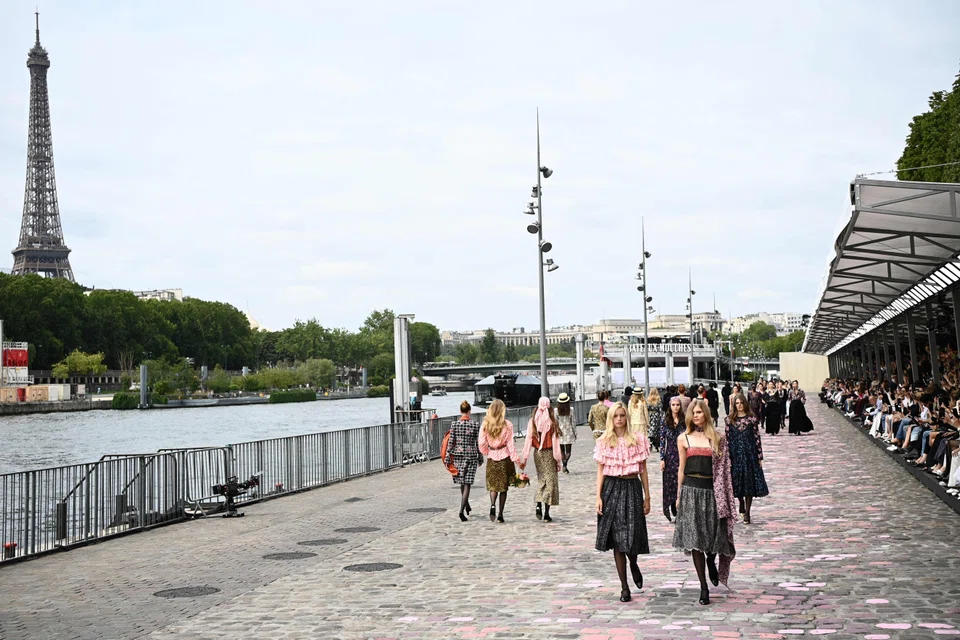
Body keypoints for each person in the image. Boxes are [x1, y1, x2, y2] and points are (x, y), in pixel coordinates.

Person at [672, 399, 737, 606]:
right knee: (695, 540)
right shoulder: (683, 438)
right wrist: (678, 495)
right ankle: (703, 586)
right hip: (691, 490)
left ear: (706, 414)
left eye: (700, 412)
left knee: (712, 536)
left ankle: (712, 560)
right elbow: (681, 469)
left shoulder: (717, 438)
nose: (696, 416)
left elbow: (725, 471)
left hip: (711, 492)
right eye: (693, 413)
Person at [594, 402, 651, 603]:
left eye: (622, 415)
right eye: (616, 415)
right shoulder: (603, 442)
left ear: (627, 417)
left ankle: (633, 563)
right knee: (617, 538)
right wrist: (598, 496)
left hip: (632, 487)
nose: (619, 419)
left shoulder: (637, 440)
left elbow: (643, 469)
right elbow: (600, 470)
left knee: (632, 535)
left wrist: (647, 496)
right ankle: (624, 587)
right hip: (611, 488)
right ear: (611, 418)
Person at [725, 393, 768, 524]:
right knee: (737, 481)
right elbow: (727, 440)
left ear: (745, 403)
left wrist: (760, 457)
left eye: (741, 403)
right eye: (737, 403)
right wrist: (727, 457)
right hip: (735, 454)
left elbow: (757, 438)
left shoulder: (752, 419)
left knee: (749, 482)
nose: (739, 406)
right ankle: (741, 501)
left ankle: (747, 512)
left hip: (750, 454)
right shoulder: (729, 420)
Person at [519, 397, 563, 522]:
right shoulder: (552, 422)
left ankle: (538, 502)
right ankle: (547, 514)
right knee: (551, 482)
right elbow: (555, 443)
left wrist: (524, 458)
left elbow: (528, 440)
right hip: (549, 453)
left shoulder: (532, 421)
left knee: (542, 479)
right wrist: (558, 460)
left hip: (537, 454)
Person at [477, 399, 519, 523]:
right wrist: (516, 458)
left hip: (492, 457)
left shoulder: (485, 424)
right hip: (504, 457)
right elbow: (511, 445)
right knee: (503, 488)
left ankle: (492, 504)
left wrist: (486, 451)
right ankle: (500, 514)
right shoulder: (508, 425)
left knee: (493, 486)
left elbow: (481, 442)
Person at [444, 400, 484, 521]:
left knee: (462, 482)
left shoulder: (454, 425)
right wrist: (480, 457)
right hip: (471, 456)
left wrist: (447, 456)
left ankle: (465, 504)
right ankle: (462, 509)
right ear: (469, 411)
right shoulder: (475, 425)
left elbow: (451, 442)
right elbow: (478, 443)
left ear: (460, 411)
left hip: (458, 456)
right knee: (467, 483)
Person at [660, 395, 685, 522]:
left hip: (682, 455)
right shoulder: (665, 420)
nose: (675, 407)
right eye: (673, 405)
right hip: (670, 456)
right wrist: (662, 458)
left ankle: (681, 509)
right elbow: (662, 440)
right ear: (670, 406)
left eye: (677, 405)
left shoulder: (684, 420)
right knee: (670, 484)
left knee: (681, 482)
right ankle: (673, 510)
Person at [556, 392, 577, 473]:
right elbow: (573, 422)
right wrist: (575, 433)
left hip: (560, 432)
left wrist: (557, 430)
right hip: (569, 432)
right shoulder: (570, 410)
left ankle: (564, 464)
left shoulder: (556, 410)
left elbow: (555, 422)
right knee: (568, 451)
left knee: (562, 451)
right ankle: (565, 464)